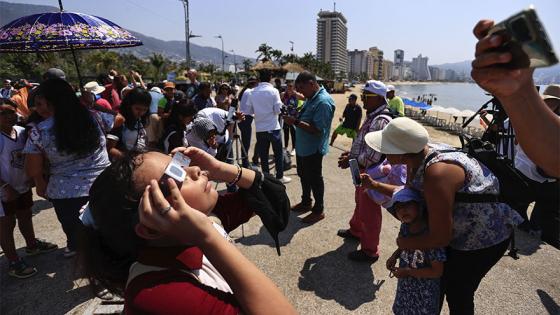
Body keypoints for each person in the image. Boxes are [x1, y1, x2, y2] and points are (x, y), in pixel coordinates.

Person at [78, 148, 296, 315]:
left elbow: (275, 198)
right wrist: (207, 237)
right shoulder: (157, 294)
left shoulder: (202, 222)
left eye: (180, 162)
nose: (194, 170)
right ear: (150, 226)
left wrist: (224, 169)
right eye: (176, 175)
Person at [363, 117, 523, 314]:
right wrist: (375, 185)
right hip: (460, 228)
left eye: (386, 147)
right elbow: (410, 194)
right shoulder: (418, 155)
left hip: (485, 238)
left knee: (458, 290)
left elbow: (440, 237)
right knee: (441, 281)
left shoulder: (437, 173)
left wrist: (404, 244)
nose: (382, 151)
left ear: (402, 154)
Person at [23, 78, 111, 258]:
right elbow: (118, 119)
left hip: (66, 194)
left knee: (82, 242)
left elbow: (32, 169)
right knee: (109, 233)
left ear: (51, 102)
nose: (37, 108)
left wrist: (40, 183)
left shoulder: (39, 131)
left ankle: (93, 270)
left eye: (40, 103)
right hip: (105, 184)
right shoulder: (95, 116)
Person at [471, 19, 560, 177]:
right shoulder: (533, 120)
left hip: (525, 176)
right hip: (520, 173)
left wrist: (520, 94)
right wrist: (519, 93)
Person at [0, 99, 58, 279]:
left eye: (11, 111)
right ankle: (13, 261)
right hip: (5, 189)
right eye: (3, 113)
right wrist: (4, 186)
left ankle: (32, 245)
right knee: (6, 225)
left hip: (21, 185)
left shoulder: (22, 132)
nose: (9, 116)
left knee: (25, 214)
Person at [336, 80, 393, 262]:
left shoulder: (381, 120)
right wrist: (352, 154)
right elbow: (364, 145)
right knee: (360, 201)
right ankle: (356, 230)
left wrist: (350, 159)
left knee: (370, 210)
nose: (362, 100)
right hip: (360, 169)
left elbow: (373, 156)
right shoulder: (373, 116)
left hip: (370, 173)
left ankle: (370, 250)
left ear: (377, 97)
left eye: (365, 96)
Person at [283, 71, 335, 224]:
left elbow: (318, 129)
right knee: (303, 175)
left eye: (301, 88)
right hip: (303, 147)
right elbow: (306, 114)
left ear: (311, 84)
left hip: (313, 149)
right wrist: (297, 114)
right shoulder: (311, 97)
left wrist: (295, 122)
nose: (300, 92)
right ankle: (306, 202)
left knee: (315, 179)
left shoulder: (323, 102)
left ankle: (318, 210)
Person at [385, 188, 446, 315]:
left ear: (420, 206)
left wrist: (409, 272)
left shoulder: (431, 236)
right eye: (398, 208)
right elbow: (404, 245)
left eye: (407, 204)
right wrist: (394, 256)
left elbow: (437, 271)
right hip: (406, 287)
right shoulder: (405, 227)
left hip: (424, 292)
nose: (402, 210)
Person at [513, 84, 559, 248]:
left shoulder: (529, 116)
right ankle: (535, 233)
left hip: (522, 169)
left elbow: (517, 141)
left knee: (520, 208)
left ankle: (528, 229)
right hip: (544, 177)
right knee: (544, 212)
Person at [247, 70, 290, 184]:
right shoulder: (274, 91)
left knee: (263, 155)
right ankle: (279, 176)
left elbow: (250, 111)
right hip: (273, 127)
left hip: (260, 128)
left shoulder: (252, 92)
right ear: (270, 77)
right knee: (278, 153)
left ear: (259, 78)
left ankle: (266, 178)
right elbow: (277, 110)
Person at [107, 88, 151, 160]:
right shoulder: (120, 121)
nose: (141, 113)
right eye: (137, 109)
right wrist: (129, 158)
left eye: (144, 110)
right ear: (129, 105)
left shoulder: (138, 120)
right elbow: (109, 149)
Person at [238, 77, 258, 168]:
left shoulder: (246, 91)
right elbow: (253, 105)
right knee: (246, 143)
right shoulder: (250, 92)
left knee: (245, 142)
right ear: (254, 84)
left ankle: (245, 162)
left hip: (244, 118)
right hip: (246, 119)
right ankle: (245, 164)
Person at [281, 82, 305, 156]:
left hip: (294, 117)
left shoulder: (296, 95)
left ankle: (294, 148)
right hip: (285, 116)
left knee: (293, 133)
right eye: (288, 86)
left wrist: (300, 108)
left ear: (294, 87)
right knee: (285, 132)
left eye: (291, 86)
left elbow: (306, 99)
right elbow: (278, 101)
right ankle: (285, 147)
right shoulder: (283, 94)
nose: (289, 88)